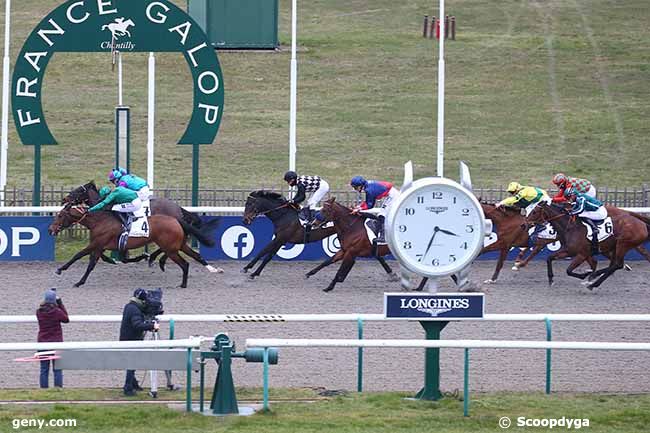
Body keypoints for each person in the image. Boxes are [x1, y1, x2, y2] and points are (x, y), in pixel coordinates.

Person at [119, 289, 159, 396]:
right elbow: (137, 325)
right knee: (132, 364)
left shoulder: (130, 306)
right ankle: (128, 388)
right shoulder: (135, 310)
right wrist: (151, 326)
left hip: (126, 339)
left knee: (132, 363)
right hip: (131, 340)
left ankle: (133, 384)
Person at [350, 176, 399, 243]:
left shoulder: (369, 190)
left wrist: (358, 209)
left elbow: (370, 205)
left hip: (393, 195)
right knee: (381, 214)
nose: (355, 189)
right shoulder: (367, 186)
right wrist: (359, 207)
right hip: (391, 194)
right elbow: (367, 202)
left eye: (355, 187)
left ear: (360, 185)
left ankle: (383, 236)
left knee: (382, 214)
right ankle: (378, 229)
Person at [36, 288, 69, 388]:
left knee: (44, 369)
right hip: (56, 343)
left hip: (42, 343)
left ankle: (44, 390)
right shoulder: (57, 312)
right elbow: (66, 319)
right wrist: (60, 303)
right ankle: (58, 389)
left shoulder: (39, 312)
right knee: (57, 369)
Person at [566, 187, 607, 255]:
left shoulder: (581, 198)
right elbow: (574, 208)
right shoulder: (577, 198)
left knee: (581, 214)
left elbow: (580, 210)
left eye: (569, 196)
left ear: (573, 195)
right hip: (594, 210)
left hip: (600, 212)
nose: (569, 199)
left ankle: (594, 228)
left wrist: (570, 213)